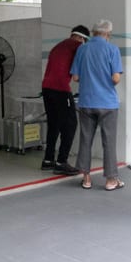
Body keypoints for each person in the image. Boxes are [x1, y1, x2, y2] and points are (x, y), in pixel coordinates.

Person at [70, 19, 124, 191]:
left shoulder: (82, 49)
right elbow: (116, 78)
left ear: (93, 33)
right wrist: (105, 81)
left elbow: (76, 78)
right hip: (107, 103)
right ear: (108, 34)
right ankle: (111, 180)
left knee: (85, 139)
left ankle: (86, 178)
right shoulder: (112, 49)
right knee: (109, 142)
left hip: (86, 101)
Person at [40, 25, 90, 175]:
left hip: (46, 88)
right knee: (70, 124)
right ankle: (61, 162)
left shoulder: (58, 46)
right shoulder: (78, 46)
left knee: (54, 124)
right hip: (60, 89)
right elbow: (78, 73)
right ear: (82, 38)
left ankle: (48, 160)